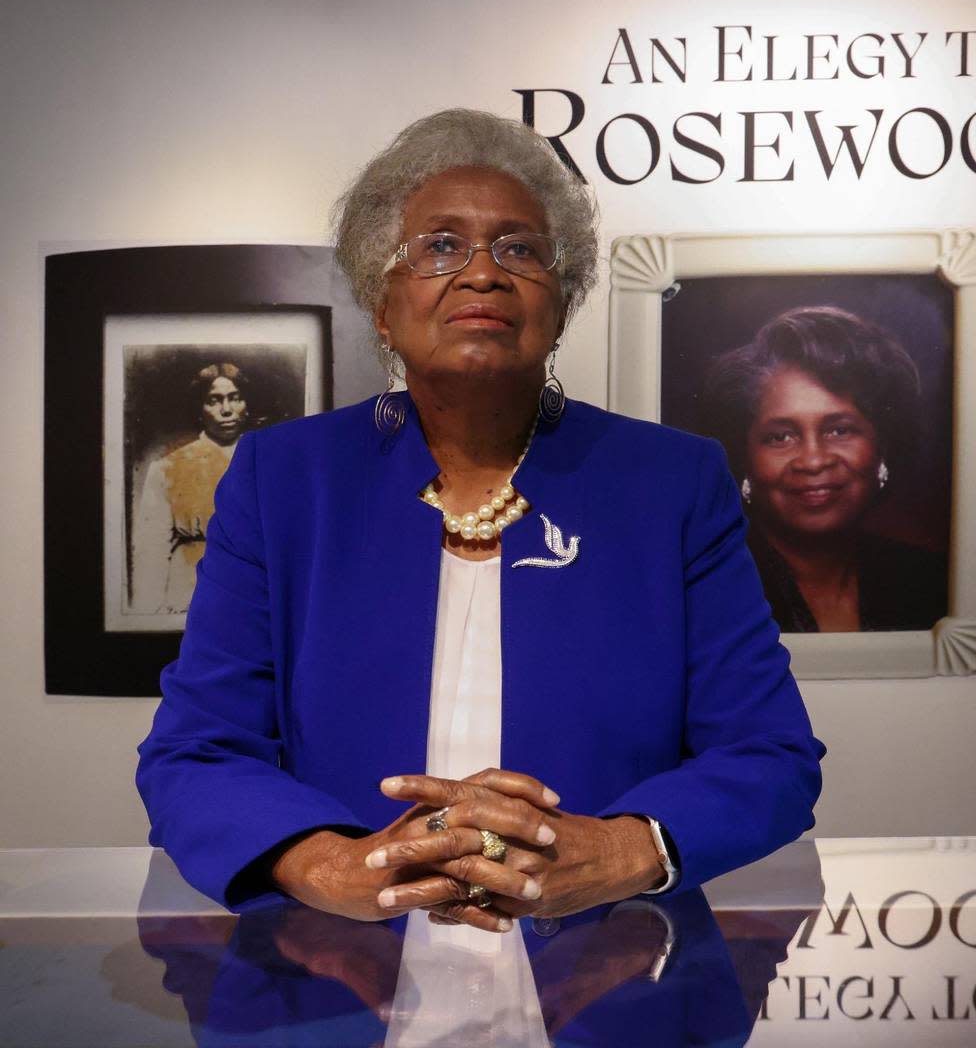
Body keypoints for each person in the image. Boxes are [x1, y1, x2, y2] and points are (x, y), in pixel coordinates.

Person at [137, 109, 823, 947]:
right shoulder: (285, 480)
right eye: (438, 247)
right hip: (345, 974)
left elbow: (769, 757)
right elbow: (197, 755)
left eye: (520, 249)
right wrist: (333, 867)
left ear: (560, 303)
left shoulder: (672, 483)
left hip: (606, 972)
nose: (482, 274)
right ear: (381, 306)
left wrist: (619, 850)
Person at [705, 306, 948, 633]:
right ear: (744, 457)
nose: (814, 460)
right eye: (780, 436)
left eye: (840, 430)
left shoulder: (933, 582)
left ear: (882, 446)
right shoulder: (706, 590)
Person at [131, 363, 252, 614]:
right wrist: (147, 615)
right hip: (189, 593)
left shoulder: (272, 463)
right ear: (200, 409)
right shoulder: (167, 468)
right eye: (214, 400)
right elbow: (150, 555)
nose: (226, 410)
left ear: (246, 405)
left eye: (235, 398)